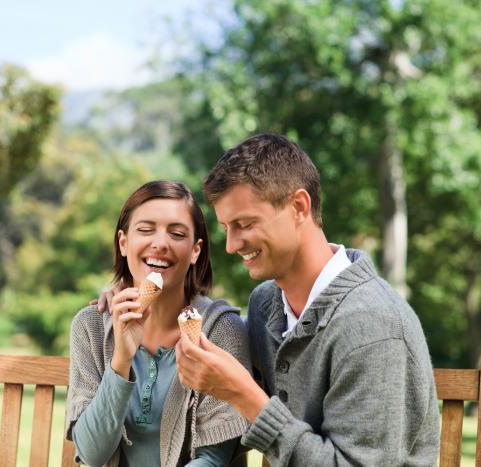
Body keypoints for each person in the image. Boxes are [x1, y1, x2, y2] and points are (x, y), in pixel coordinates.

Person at [175, 134, 441, 466]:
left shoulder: (373, 324)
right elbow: (216, 341)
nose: (231, 245)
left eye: (244, 224)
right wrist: (122, 306)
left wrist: (246, 398)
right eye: (227, 228)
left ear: (298, 207)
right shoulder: (266, 305)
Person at [66, 180, 250, 467]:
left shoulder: (220, 329)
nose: (160, 243)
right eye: (145, 230)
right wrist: (121, 359)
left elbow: (213, 460)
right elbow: (91, 454)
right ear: (124, 243)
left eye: (177, 234)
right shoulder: (91, 326)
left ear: (195, 251)